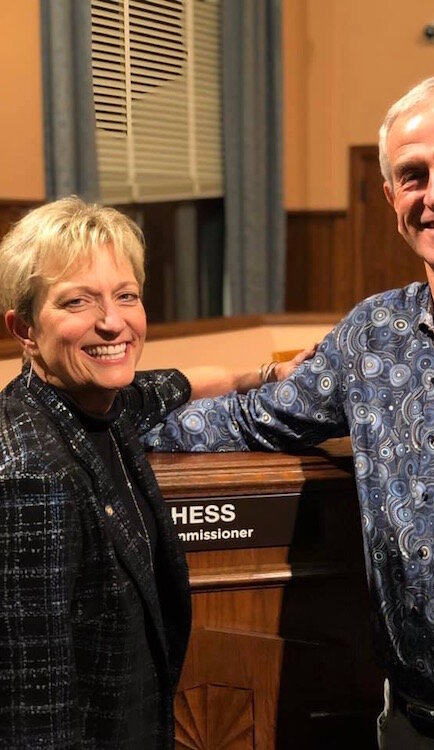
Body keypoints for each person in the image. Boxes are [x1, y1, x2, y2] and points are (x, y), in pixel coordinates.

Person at [143, 76, 434, 749]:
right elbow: (246, 420)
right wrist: (95, 412)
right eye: (412, 175)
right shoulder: (372, 335)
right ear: (392, 197)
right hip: (399, 726)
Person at [0, 196, 307, 749]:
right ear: (24, 328)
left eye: (126, 296)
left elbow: (173, 383)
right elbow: (33, 709)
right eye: (77, 302)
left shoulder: (101, 404)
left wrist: (262, 373)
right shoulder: (31, 473)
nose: (112, 321)